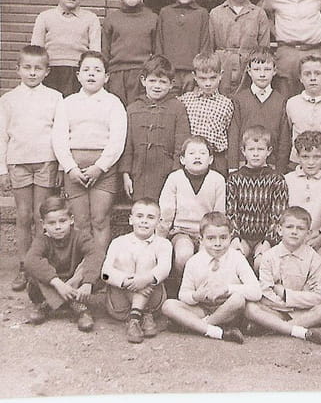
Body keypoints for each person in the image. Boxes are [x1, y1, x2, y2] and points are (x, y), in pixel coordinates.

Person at [0, 45, 63, 291]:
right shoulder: (8, 100)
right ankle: (24, 266)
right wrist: (2, 169)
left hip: (45, 161)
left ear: (47, 71)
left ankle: (39, 266)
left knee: (40, 216)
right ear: (18, 69)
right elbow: (2, 136)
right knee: (24, 215)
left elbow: (59, 134)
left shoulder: (55, 97)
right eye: (27, 67)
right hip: (18, 162)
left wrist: (59, 165)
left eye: (38, 68)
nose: (32, 73)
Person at [51, 51, 127, 255]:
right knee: (80, 221)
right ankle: (82, 265)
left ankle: (98, 265)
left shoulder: (114, 103)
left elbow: (117, 140)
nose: (91, 74)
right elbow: (58, 138)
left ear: (106, 76)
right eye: (86, 69)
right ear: (78, 75)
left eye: (97, 70)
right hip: (74, 170)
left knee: (100, 219)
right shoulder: (67, 103)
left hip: (104, 169)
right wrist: (70, 168)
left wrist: (99, 167)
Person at [161, 211, 261, 344]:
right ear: (201, 239)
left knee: (239, 299)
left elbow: (256, 291)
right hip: (202, 309)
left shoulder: (237, 258)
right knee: (168, 305)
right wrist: (196, 296)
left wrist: (227, 289)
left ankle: (199, 326)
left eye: (223, 237)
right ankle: (218, 332)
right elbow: (183, 294)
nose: (217, 243)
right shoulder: (194, 262)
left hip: (229, 310)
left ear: (230, 237)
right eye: (211, 238)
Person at [244, 206, 321, 344]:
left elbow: (317, 296)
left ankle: (271, 327)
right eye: (289, 227)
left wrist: (286, 295)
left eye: (300, 228)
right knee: (250, 308)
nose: (294, 232)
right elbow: (265, 292)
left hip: (303, 312)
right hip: (275, 310)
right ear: (280, 230)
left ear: (308, 234)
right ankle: (299, 329)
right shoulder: (269, 256)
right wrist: (290, 304)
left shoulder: (314, 259)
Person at [24, 195, 103, 332]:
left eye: (62, 221)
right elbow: (31, 260)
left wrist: (88, 282)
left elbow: (96, 254)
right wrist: (57, 283)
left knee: (95, 265)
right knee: (34, 268)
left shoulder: (80, 236)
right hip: (52, 284)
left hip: (75, 282)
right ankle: (76, 305)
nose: (58, 227)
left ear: (71, 220)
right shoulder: (42, 240)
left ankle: (51, 304)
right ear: (43, 224)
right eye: (51, 223)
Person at [100, 198, 172, 343]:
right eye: (139, 216)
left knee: (145, 259)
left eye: (150, 217)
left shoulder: (163, 244)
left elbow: (164, 268)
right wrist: (128, 282)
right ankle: (137, 315)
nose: (144, 221)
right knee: (125, 258)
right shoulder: (118, 242)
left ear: (158, 222)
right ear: (131, 219)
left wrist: (144, 280)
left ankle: (135, 318)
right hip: (120, 305)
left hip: (152, 305)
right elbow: (105, 274)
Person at [121, 55, 190, 201]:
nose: (157, 86)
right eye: (152, 80)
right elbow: (127, 147)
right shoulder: (132, 109)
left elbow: (181, 146)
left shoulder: (178, 108)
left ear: (171, 84)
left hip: (167, 175)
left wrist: (176, 175)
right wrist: (126, 175)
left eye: (163, 82)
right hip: (139, 174)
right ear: (143, 80)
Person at [158, 136, 226, 276]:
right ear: (182, 159)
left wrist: (213, 236)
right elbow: (166, 211)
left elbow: (219, 214)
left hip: (208, 232)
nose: (197, 156)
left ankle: (202, 287)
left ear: (210, 159)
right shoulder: (175, 178)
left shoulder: (217, 180)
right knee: (184, 255)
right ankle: (182, 285)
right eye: (192, 153)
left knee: (205, 258)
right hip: (181, 232)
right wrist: (159, 239)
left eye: (202, 153)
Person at [226, 126, 288, 272]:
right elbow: (230, 213)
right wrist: (235, 238)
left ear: (269, 151)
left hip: (265, 238)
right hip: (242, 237)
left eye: (260, 149)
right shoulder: (234, 179)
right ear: (243, 151)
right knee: (235, 261)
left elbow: (278, 216)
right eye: (251, 149)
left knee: (261, 263)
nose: (255, 154)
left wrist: (268, 242)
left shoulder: (277, 180)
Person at [31, 0, 101, 97]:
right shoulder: (44, 17)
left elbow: (95, 54)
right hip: (50, 72)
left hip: (79, 74)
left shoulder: (91, 19)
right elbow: (35, 53)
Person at [209, 0, 270, 95]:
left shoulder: (259, 14)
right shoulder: (215, 13)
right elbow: (209, 48)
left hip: (248, 69)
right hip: (222, 67)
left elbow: (264, 49)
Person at [102, 0, 158, 106]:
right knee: (117, 110)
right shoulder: (112, 19)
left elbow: (157, 52)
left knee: (139, 110)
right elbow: (104, 53)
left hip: (142, 75)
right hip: (116, 75)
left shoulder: (153, 18)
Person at [228, 51, 291, 173]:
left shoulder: (281, 101)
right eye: (257, 69)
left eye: (267, 69)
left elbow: (284, 139)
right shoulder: (239, 100)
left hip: (271, 167)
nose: (262, 74)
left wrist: (280, 170)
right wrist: (233, 167)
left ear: (274, 71)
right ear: (249, 71)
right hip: (244, 166)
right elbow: (234, 135)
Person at [284, 131, 321, 280]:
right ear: (298, 157)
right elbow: (280, 212)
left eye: (316, 157)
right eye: (305, 157)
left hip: (316, 238)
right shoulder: (287, 180)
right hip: (289, 237)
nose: (311, 162)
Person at [155, 0, 211, 94]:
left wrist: (198, 73)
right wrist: (162, 71)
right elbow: (159, 44)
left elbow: (205, 47)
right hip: (169, 73)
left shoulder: (202, 14)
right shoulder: (165, 13)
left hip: (192, 75)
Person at [285, 55, 321, 172]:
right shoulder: (292, 104)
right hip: (298, 163)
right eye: (307, 74)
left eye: (317, 73)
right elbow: (289, 130)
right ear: (300, 78)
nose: (313, 78)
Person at [179, 52, 234, 177]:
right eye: (203, 79)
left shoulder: (226, 104)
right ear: (194, 76)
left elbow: (228, 132)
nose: (208, 83)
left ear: (221, 75)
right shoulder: (186, 100)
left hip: (216, 159)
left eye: (213, 78)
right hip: (192, 156)